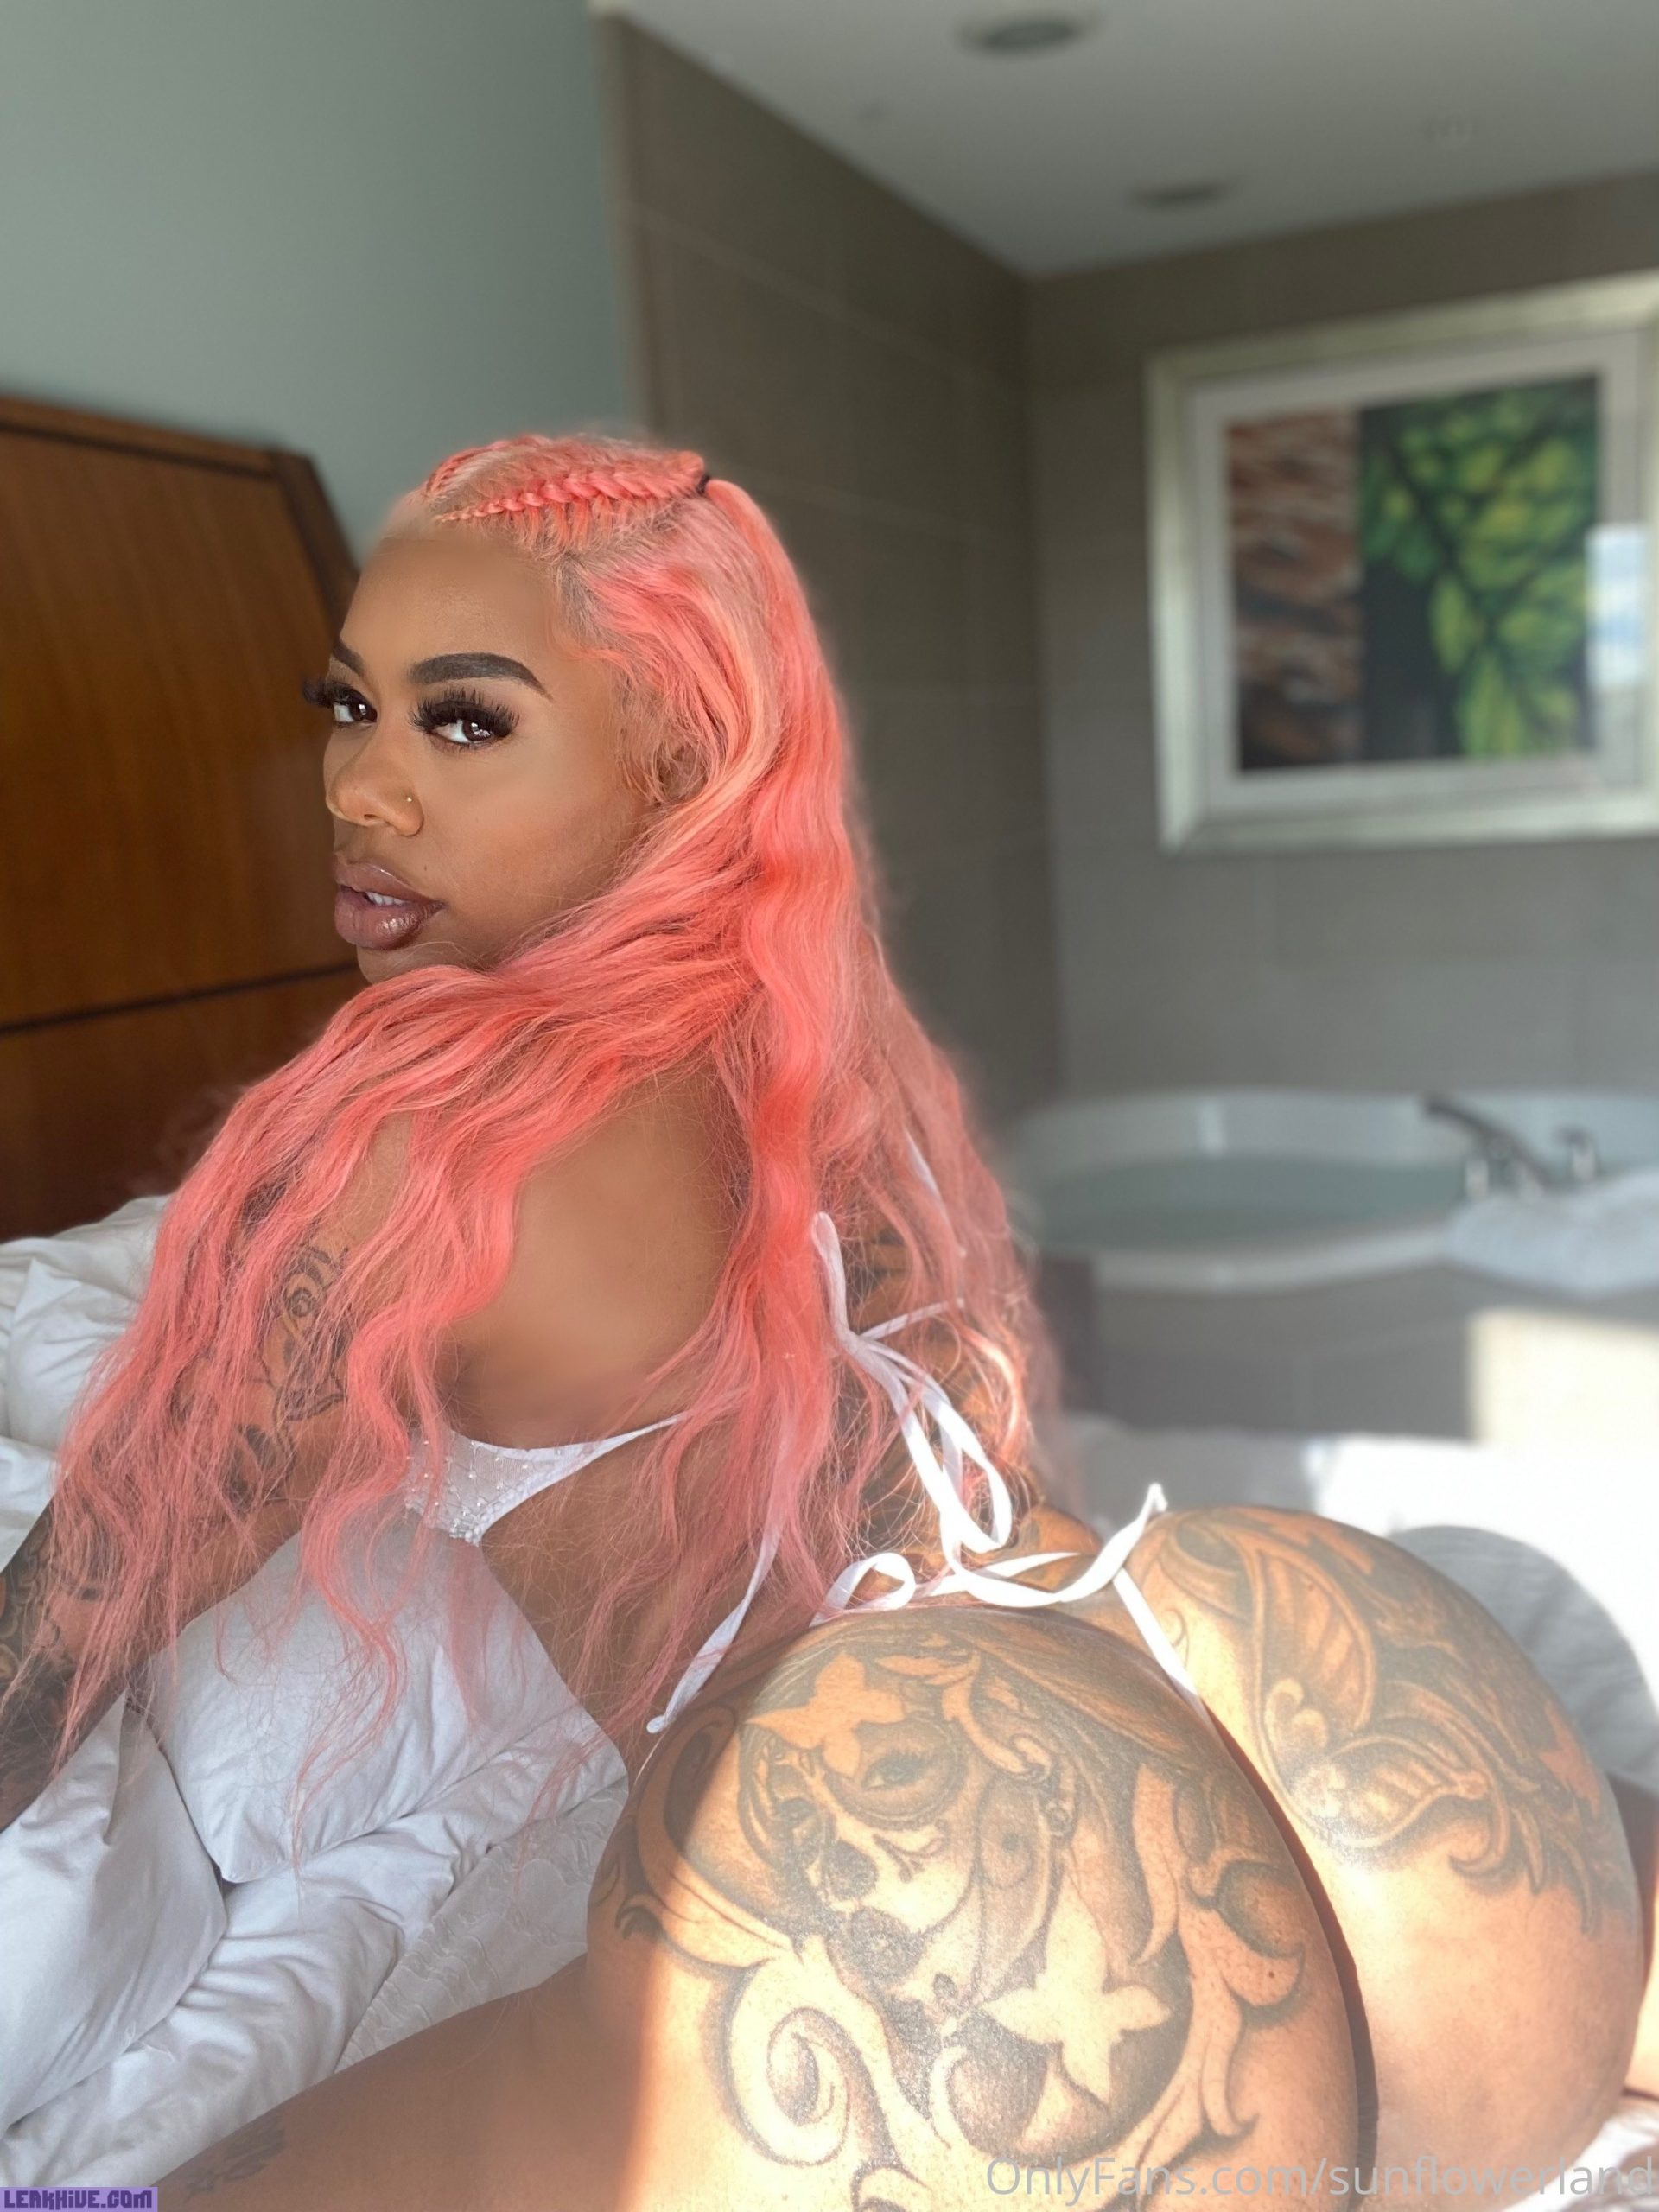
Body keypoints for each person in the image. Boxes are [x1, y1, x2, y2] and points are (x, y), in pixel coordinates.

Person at [0, 435, 1647, 2208]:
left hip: (956, 1899)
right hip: (1306, 1682)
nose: (361, 789)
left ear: (673, 763)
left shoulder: (401, 1135)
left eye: (463, 722)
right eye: (348, 707)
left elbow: (70, 1622)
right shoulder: (826, 1054)